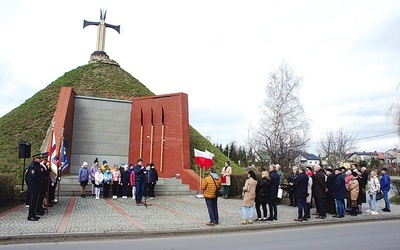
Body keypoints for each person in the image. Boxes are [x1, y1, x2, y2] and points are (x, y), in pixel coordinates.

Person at [26, 154, 43, 221]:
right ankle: (30, 216)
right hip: (33, 188)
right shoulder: (33, 167)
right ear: (35, 158)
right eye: (39, 158)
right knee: (32, 202)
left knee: (35, 202)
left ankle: (33, 214)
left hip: (37, 187)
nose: (40, 159)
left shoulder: (37, 165)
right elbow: (32, 178)